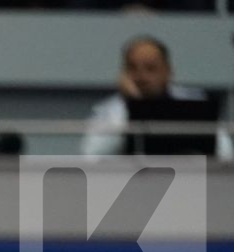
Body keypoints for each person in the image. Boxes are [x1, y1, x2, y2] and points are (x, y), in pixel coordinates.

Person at [80, 34, 233, 159]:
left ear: (168, 72)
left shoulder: (195, 104)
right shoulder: (110, 110)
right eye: (132, 68)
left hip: (191, 185)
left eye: (150, 68)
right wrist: (132, 105)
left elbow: (226, 154)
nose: (141, 77)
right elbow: (91, 155)